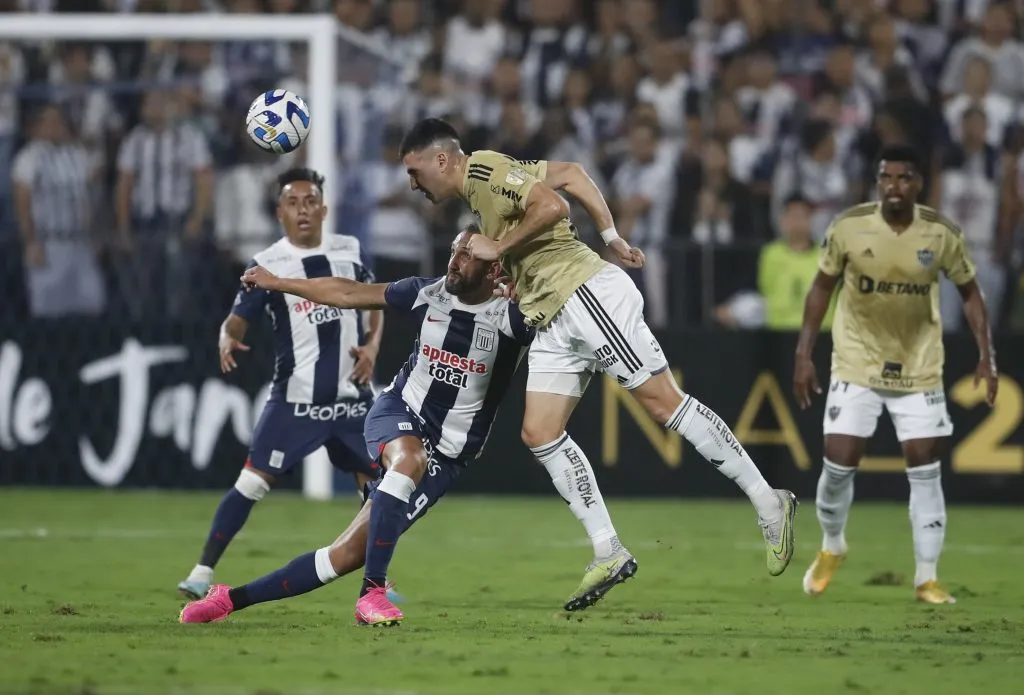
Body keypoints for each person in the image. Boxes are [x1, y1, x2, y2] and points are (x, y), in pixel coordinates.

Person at [397, 118, 797, 613]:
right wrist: (608, 235)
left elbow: (554, 205)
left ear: (441, 159)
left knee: (664, 403)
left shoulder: (482, 170)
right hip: (551, 313)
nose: (413, 184)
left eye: (414, 171)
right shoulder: (488, 185)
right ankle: (609, 550)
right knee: (540, 431)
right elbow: (570, 173)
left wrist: (500, 248)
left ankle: (768, 502)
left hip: (584, 294)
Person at [179, 226, 534, 626]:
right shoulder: (427, 292)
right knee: (409, 459)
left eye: (468, 255)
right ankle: (372, 594)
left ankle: (228, 599)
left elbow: (563, 313)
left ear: (493, 270)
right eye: (455, 250)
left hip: (450, 453)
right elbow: (347, 293)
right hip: (398, 411)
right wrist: (278, 282)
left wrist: (527, 282)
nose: (454, 261)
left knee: (342, 557)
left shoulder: (514, 318)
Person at [793, 143, 999, 605]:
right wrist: (803, 353)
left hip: (919, 368)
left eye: (904, 178)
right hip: (856, 363)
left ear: (919, 184)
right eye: (886, 177)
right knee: (837, 464)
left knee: (924, 467)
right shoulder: (848, 227)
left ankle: (927, 578)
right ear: (877, 182)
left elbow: (971, 292)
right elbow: (821, 288)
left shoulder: (940, 234)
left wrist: (987, 355)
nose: (894, 186)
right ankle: (832, 545)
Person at [176, 168, 384, 600]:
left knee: (381, 490)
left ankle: (377, 583)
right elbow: (238, 318)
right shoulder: (267, 263)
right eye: (293, 202)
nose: (303, 210)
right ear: (279, 213)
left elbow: (376, 301)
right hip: (296, 401)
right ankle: (201, 571)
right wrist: (227, 335)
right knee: (252, 483)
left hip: (351, 399)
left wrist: (372, 347)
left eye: (310, 202)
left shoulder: (350, 250)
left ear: (324, 209)